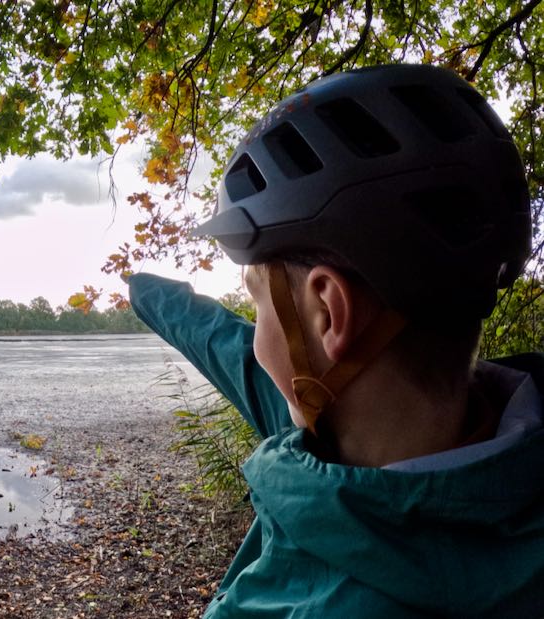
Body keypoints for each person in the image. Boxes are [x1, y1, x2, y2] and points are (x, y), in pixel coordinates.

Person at [127, 64, 544, 618]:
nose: (254, 337)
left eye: (257, 301)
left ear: (329, 311)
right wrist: (142, 290)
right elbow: (221, 343)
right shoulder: (387, 440)